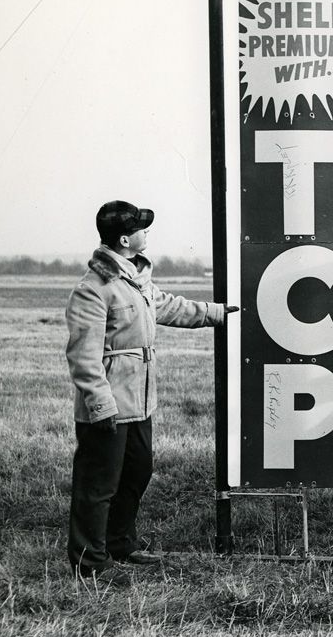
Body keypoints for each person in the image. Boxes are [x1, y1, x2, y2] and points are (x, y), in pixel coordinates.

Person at [65, 200, 237, 579]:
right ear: (125, 239)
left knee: (137, 473)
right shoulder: (93, 289)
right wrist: (100, 405)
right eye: (141, 228)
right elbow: (83, 357)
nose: (147, 232)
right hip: (110, 405)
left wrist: (220, 313)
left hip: (140, 403)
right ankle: (89, 563)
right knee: (98, 485)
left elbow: (171, 307)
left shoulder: (136, 280)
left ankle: (120, 546)